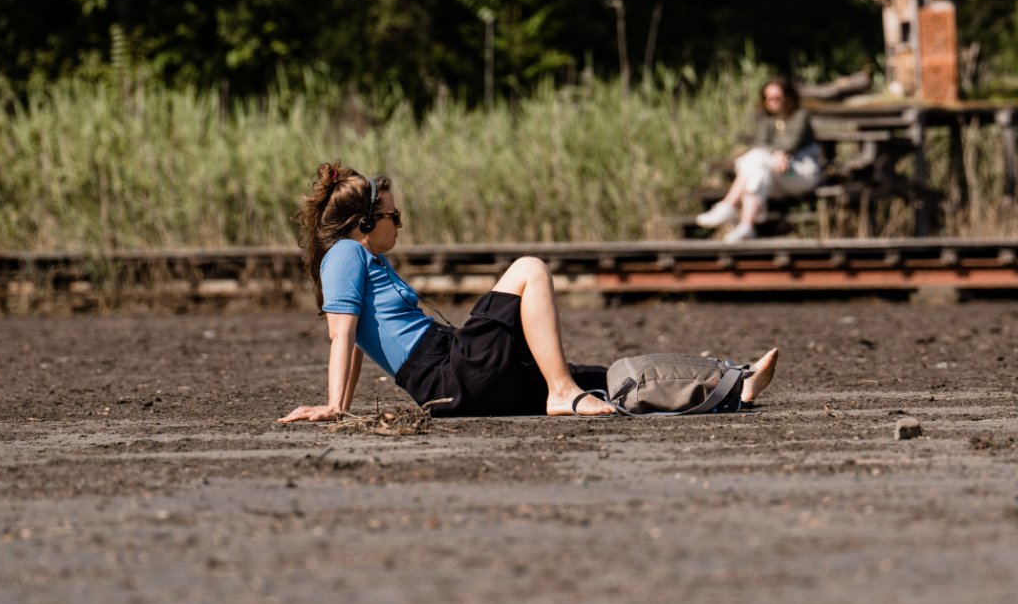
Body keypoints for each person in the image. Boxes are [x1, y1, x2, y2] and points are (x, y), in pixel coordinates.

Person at [279, 163, 779, 422]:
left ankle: (732, 384)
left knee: (602, 378)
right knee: (529, 269)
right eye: (393, 215)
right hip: (448, 373)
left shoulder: (364, 258)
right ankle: (561, 395)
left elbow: (359, 346)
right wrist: (334, 407)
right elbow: (342, 338)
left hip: (457, 378)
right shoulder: (346, 254)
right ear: (365, 222)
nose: (400, 223)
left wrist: (339, 404)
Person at [696, 77, 824, 242]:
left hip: (801, 173)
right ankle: (746, 227)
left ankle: (727, 206)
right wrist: (776, 153)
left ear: (788, 97)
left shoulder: (800, 116)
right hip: (778, 174)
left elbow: (789, 145)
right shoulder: (768, 119)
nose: (771, 102)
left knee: (757, 157)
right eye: (767, 98)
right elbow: (761, 143)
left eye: (776, 98)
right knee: (758, 173)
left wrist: (777, 152)